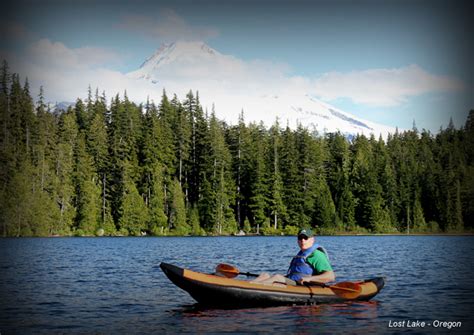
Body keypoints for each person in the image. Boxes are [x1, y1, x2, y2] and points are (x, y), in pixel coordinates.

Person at [250, 228, 335, 286]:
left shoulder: (316, 255)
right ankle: (247, 286)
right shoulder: (301, 253)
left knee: (277, 277)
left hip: (302, 285)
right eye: (300, 238)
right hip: (293, 281)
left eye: (305, 238)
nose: (302, 240)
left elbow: (330, 276)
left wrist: (309, 279)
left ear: (312, 239)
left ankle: (251, 289)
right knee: (264, 275)